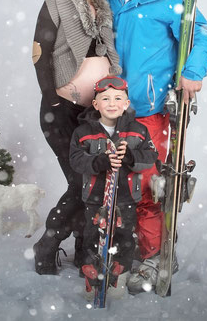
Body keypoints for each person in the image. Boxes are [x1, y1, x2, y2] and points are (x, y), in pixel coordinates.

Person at [101, 0, 207, 293]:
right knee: (112, 182)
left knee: (148, 184)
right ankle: (125, 247)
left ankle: (155, 255)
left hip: (149, 106)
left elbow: (200, 32)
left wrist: (193, 72)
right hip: (109, 105)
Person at [31, 0, 121, 275]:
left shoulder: (100, 1)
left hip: (92, 113)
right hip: (62, 110)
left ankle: (85, 252)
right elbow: (41, 51)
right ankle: (48, 245)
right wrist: (52, 97)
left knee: (93, 181)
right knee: (84, 181)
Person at [68, 76, 158, 297]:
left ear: (126, 104)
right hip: (95, 196)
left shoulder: (138, 131)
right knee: (92, 234)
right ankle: (92, 272)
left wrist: (130, 156)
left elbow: (151, 156)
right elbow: (75, 159)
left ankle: (119, 272)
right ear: (96, 104)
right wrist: (98, 162)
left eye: (118, 98)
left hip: (126, 197)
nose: (112, 103)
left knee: (124, 235)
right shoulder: (83, 132)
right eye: (105, 98)